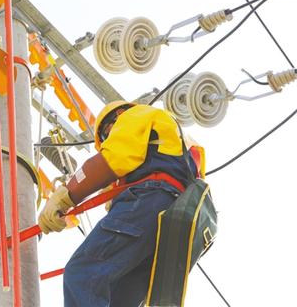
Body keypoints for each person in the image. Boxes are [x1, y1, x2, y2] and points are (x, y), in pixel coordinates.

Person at [38, 101, 205, 307]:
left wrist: (65, 196)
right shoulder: (179, 145)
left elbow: (112, 158)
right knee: (118, 298)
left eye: (107, 135)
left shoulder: (136, 115)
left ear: (118, 114)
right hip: (176, 224)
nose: (110, 139)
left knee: (83, 274)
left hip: (148, 201)